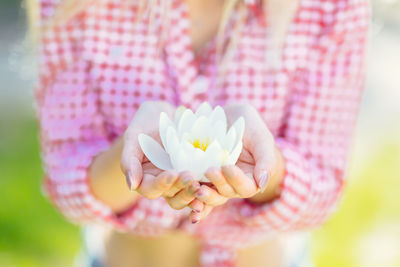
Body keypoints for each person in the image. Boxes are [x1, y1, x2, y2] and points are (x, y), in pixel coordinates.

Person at [31, 0, 369, 266]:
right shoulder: (75, 5)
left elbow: (322, 190)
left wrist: (266, 164)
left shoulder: (329, 6)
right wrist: (133, 154)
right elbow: (66, 181)